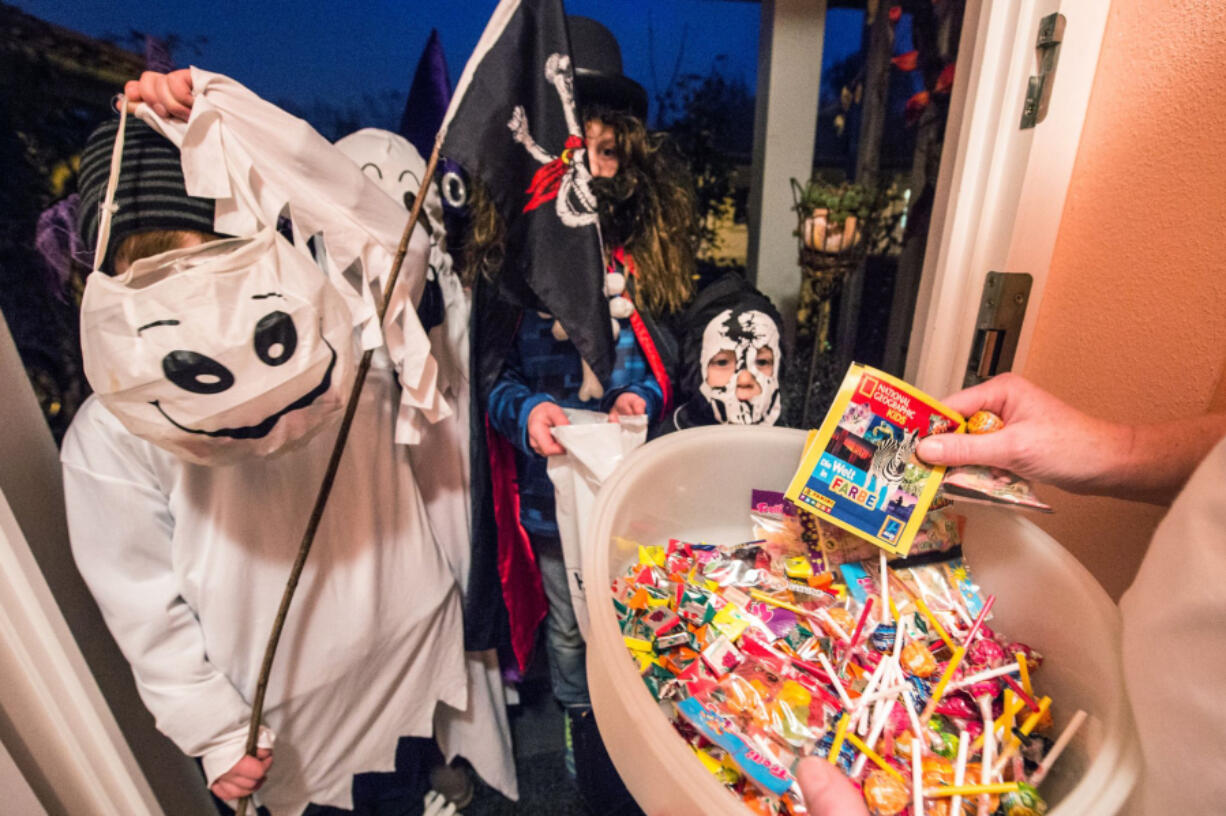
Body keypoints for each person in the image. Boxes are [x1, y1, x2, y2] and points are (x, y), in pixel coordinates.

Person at [61, 69, 507, 815]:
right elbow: (140, 601)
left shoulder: (336, 332)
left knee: (405, 783)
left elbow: (400, 246)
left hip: (403, 646)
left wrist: (229, 112)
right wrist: (209, 726)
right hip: (283, 713)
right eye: (161, 268)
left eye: (217, 255)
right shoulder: (112, 430)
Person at [466, 14, 696, 809]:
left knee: (637, 616)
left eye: (604, 151)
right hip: (548, 506)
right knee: (571, 627)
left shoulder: (634, 269)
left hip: (628, 496)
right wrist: (525, 410)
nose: (589, 169)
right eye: (574, 148)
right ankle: (578, 730)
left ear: (625, 161)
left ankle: (645, 733)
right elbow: (489, 383)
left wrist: (645, 394)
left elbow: (658, 365)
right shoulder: (515, 280)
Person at [662, 271, 785, 432]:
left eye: (762, 362)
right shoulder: (665, 447)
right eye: (722, 362)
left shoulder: (804, 448)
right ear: (695, 369)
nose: (745, 379)